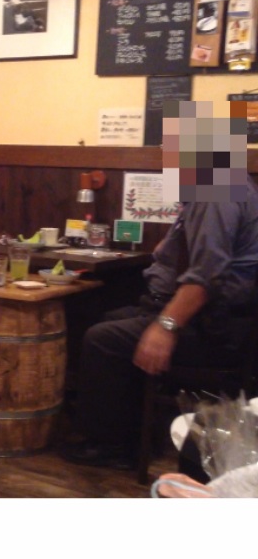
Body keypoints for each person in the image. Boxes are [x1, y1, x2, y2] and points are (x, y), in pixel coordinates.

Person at [63, 184, 258, 470]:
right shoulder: (221, 186)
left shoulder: (216, 190)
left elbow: (207, 277)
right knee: (105, 319)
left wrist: (165, 327)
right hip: (209, 318)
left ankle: (114, 446)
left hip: (215, 327)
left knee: (102, 338)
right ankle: (138, 434)